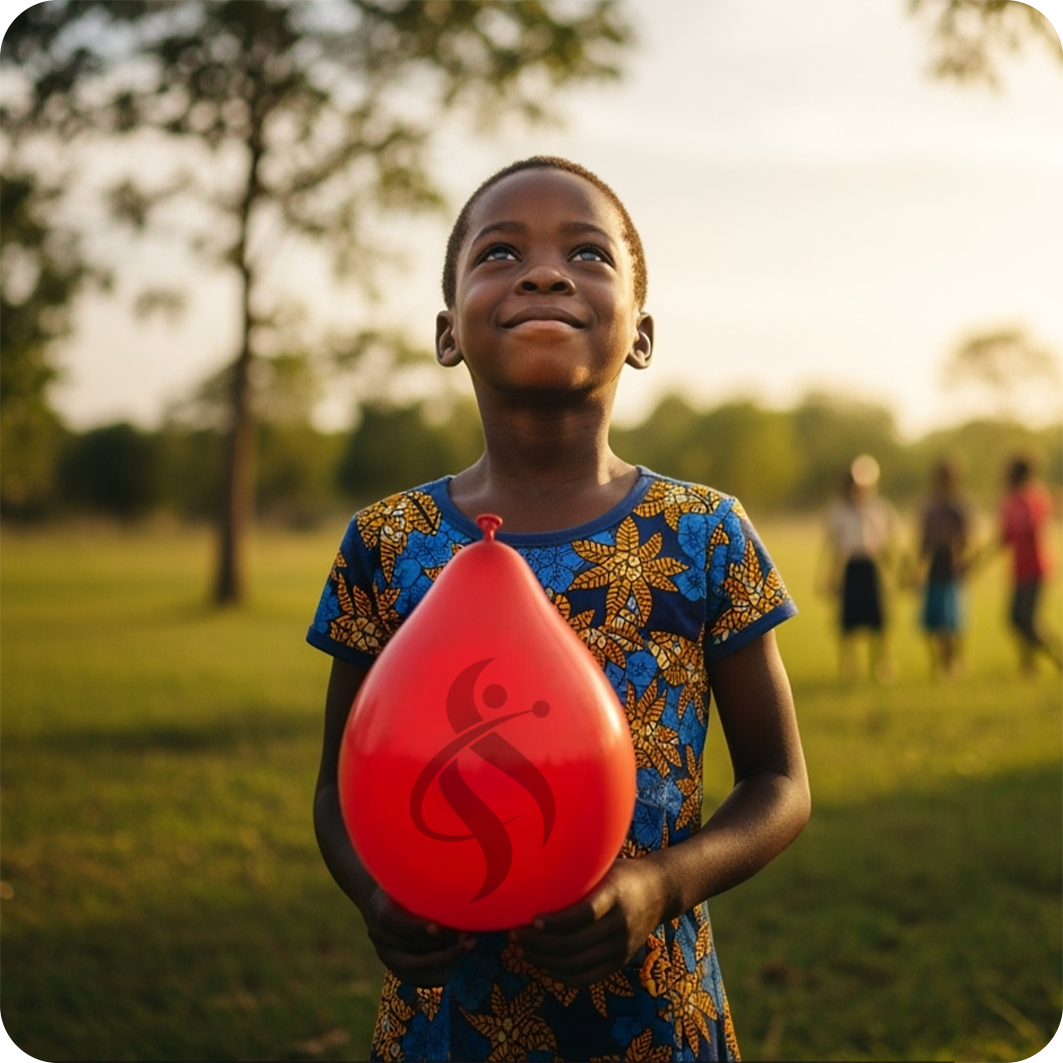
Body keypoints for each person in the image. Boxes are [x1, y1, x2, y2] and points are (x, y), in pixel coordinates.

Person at [307, 156, 810, 1062]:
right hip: (446, 1026)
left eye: (588, 254)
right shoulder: (386, 543)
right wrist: (377, 898)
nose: (543, 272)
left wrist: (661, 885)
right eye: (499, 254)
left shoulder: (702, 532)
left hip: (654, 1019)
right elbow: (338, 788)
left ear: (642, 333)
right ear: (447, 330)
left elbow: (780, 784)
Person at [821, 455, 898, 682]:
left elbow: (886, 545)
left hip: (871, 567)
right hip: (851, 568)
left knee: (878, 621)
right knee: (848, 623)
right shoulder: (839, 511)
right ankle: (850, 669)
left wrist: (895, 572)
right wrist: (831, 577)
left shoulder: (880, 508)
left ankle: (880, 666)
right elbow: (835, 548)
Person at [999, 455, 1063, 675]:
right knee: (1016, 619)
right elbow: (1005, 537)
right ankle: (1029, 665)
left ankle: (1055, 658)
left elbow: (1036, 527)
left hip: (1036, 567)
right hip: (1020, 568)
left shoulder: (1034, 497)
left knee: (1027, 621)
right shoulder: (1012, 501)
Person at [917, 460, 972, 678]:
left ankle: (953, 661)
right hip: (934, 568)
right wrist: (917, 567)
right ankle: (939, 663)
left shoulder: (959, 506)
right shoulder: (929, 507)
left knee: (953, 621)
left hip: (952, 568)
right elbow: (924, 541)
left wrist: (962, 558)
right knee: (933, 622)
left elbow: (966, 539)